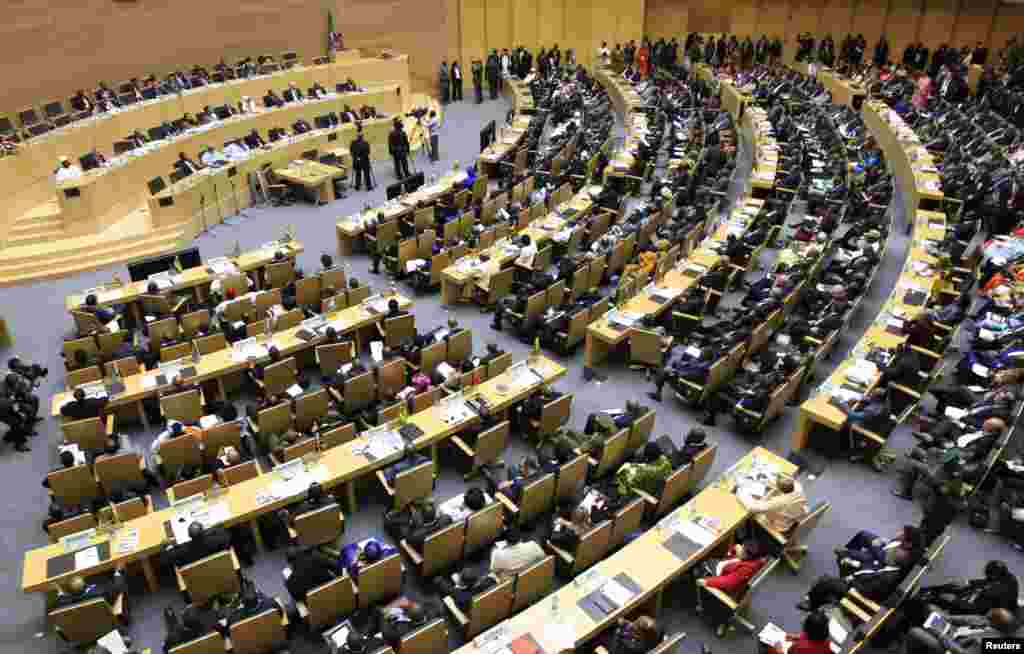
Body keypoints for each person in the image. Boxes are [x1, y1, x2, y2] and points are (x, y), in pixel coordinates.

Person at [696, 541, 768, 635]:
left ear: (748, 555)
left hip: (726, 585)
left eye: (743, 550)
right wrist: (734, 550)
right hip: (730, 571)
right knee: (710, 556)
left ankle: (708, 607)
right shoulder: (757, 560)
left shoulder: (747, 568)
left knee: (701, 566)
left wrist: (707, 582)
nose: (741, 549)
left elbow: (728, 582)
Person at [906, 608, 1015, 654]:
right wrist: (943, 619)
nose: (984, 617)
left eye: (989, 616)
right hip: (951, 630)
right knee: (931, 609)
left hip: (949, 647)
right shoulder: (982, 619)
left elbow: (960, 652)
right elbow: (958, 619)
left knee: (914, 632)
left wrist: (940, 635)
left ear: (994, 623)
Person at [737, 476, 808, 534]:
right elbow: (790, 481)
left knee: (752, 515)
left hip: (781, 525)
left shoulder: (779, 502)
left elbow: (752, 508)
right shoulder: (798, 487)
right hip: (794, 516)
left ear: (780, 489)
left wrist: (740, 493)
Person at [53, 566, 127, 608]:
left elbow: (61, 600)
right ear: (84, 583)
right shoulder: (101, 591)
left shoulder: (72, 600)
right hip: (110, 604)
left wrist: (59, 590)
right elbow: (117, 587)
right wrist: (117, 572)